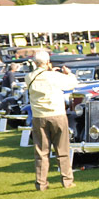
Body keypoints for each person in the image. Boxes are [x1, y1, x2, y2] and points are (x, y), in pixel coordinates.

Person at [25, 49, 78, 190]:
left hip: (39, 117)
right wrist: (68, 73)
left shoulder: (29, 77)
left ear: (35, 63)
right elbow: (72, 83)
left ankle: (41, 183)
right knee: (63, 150)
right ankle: (67, 181)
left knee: (41, 152)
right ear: (48, 62)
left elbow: (40, 76)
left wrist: (50, 71)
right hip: (57, 115)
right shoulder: (54, 76)